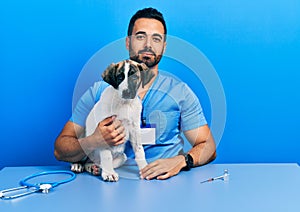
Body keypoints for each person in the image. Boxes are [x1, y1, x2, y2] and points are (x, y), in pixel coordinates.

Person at [54, 7, 216, 180]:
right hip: (108, 185)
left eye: (156, 38)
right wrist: (93, 140)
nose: (148, 44)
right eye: (140, 36)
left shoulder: (179, 92)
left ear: (164, 46)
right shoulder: (99, 92)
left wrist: (181, 160)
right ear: (127, 42)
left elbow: (208, 147)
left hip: (164, 184)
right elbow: (60, 149)